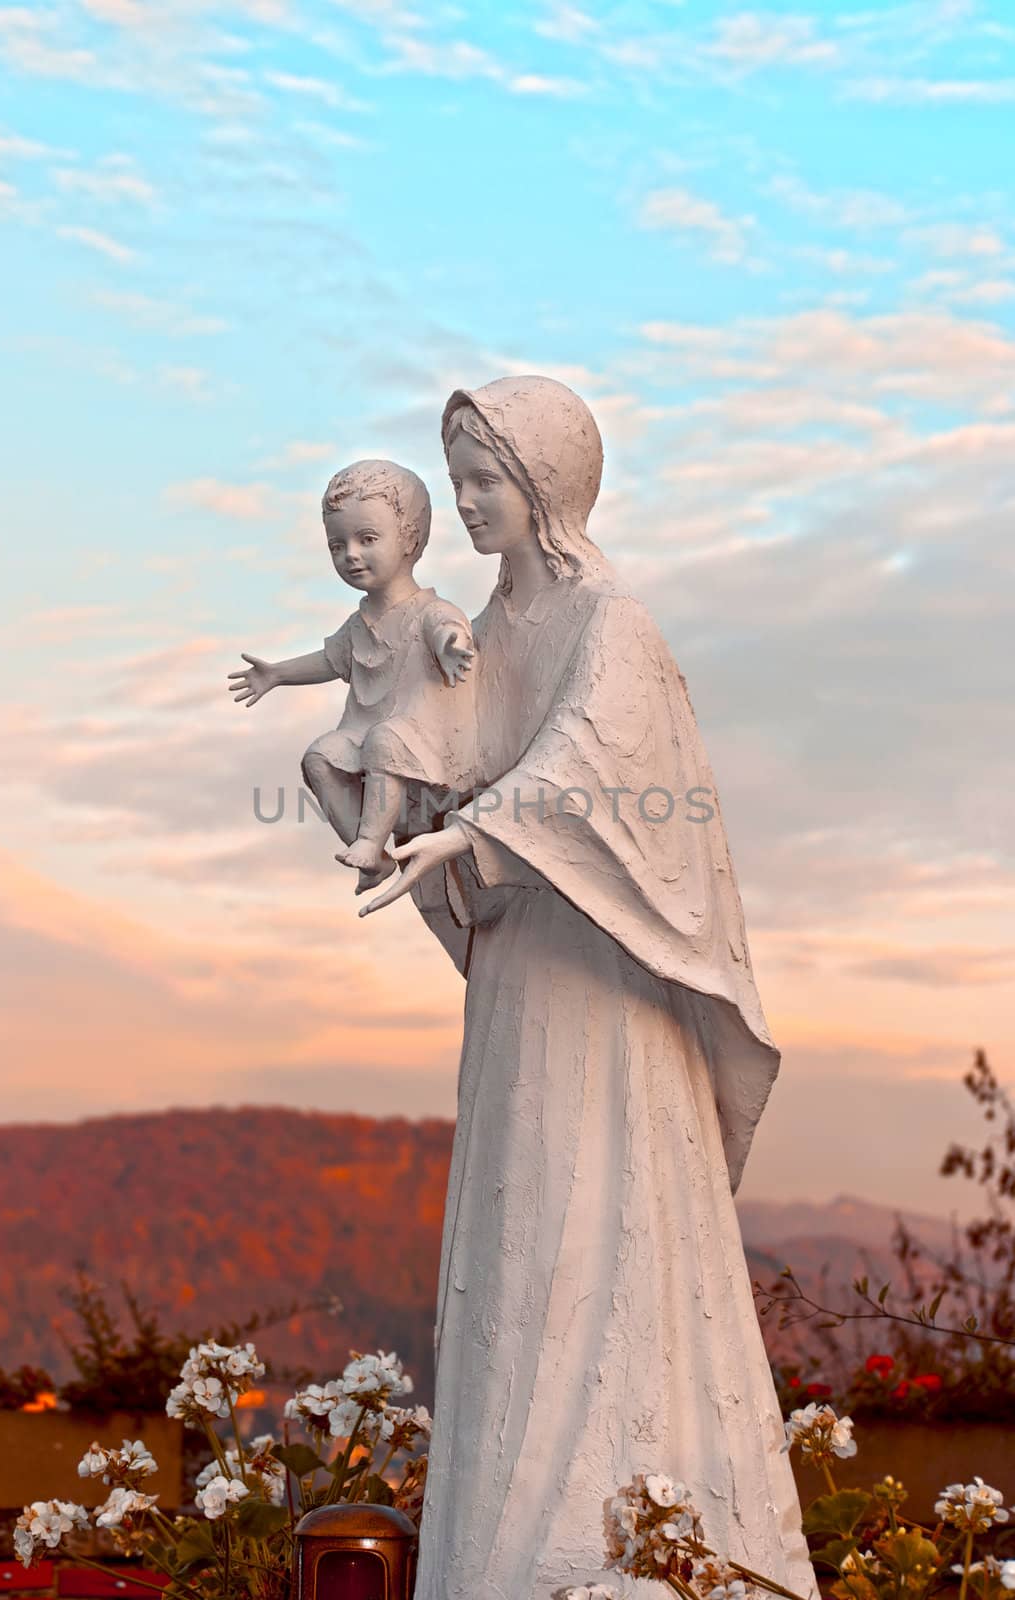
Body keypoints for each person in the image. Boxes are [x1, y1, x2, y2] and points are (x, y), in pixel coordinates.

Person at [359, 378, 819, 1600]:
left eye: (485, 481)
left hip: (600, 989)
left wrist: (476, 832)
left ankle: (621, 1535)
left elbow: (589, 763)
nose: (462, 504)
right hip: (519, 980)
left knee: (594, 1217)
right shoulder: (486, 626)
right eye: (454, 480)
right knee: (520, 1236)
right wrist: (394, 799)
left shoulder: (609, 617)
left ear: (548, 485)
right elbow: (450, 744)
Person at [228, 458, 475, 891]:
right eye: (337, 546)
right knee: (320, 756)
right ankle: (374, 858)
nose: (351, 555)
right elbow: (330, 660)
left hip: (424, 736)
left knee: (385, 740)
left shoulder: (427, 611)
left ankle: (367, 839)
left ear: (410, 539)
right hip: (364, 731)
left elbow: (446, 627)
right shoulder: (358, 624)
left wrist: (452, 645)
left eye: (367, 539)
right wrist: (278, 674)